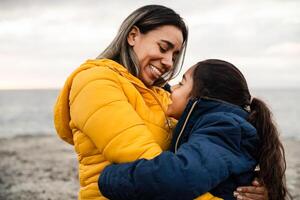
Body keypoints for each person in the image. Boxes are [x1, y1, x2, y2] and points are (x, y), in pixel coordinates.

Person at [53, 5, 267, 200]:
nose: (168, 62)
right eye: (163, 48)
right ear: (133, 36)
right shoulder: (96, 81)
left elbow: (202, 158)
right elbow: (159, 173)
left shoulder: (163, 96)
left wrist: (247, 186)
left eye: (175, 55)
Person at [98, 59, 290, 200]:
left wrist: (109, 177)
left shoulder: (225, 128)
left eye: (181, 83)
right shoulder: (220, 124)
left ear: (202, 97)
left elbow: (179, 176)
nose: (172, 89)